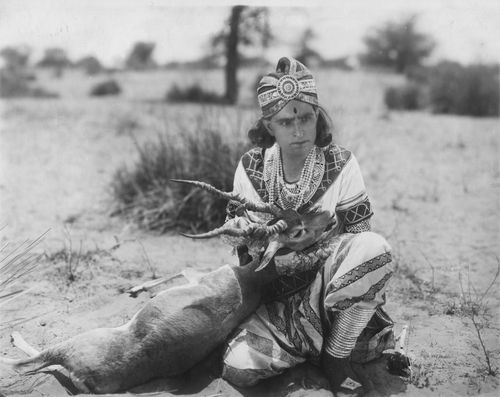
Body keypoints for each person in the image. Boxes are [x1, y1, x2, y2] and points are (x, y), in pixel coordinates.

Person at [220, 56, 395, 395]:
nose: (298, 131)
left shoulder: (341, 163)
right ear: (269, 125)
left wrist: (316, 246)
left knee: (375, 249)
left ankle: (336, 356)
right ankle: (307, 347)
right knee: (237, 366)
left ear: (318, 116)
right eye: (286, 122)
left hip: (331, 290)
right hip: (276, 302)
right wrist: (269, 246)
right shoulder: (250, 167)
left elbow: (358, 236)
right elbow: (241, 248)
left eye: (307, 117)